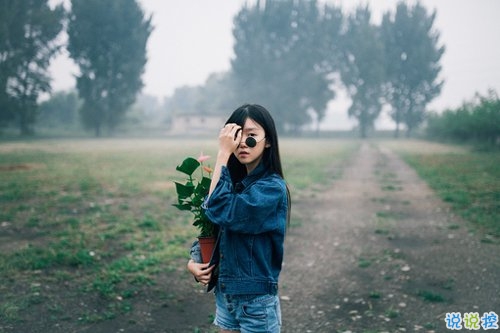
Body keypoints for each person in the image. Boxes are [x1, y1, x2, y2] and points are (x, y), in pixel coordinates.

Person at [187, 104, 291, 333]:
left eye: (251, 135)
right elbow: (212, 228)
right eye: (237, 135)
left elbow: (220, 209)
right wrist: (194, 261)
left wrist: (223, 154)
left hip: (255, 303)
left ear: (268, 140)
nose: (243, 142)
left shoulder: (271, 189)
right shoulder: (232, 183)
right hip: (226, 296)